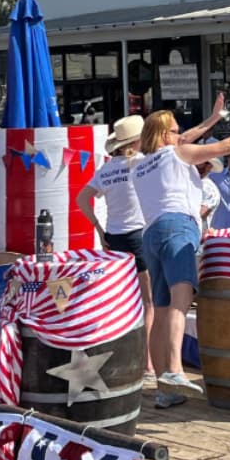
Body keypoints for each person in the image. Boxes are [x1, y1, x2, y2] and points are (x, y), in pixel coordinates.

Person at [133, 102, 230, 410]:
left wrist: (211, 119)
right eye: (175, 131)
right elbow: (226, 146)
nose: (182, 136)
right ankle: (174, 369)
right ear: (163, 136)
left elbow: (186, 137)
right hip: (178, 227)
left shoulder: (141, 164)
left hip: (150, 234)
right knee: (180, 299)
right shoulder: (176, 154)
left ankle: (163, 388)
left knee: (160, 310)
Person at [76, 115, 155, 377]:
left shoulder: (107, 169)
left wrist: (98, 229)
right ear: (137, 140)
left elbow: (82, 199)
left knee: (120, 298)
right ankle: (147, 362)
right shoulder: (143, 164)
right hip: (138, 233)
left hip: (113, 236)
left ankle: (119, 354)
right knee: (148, 301)